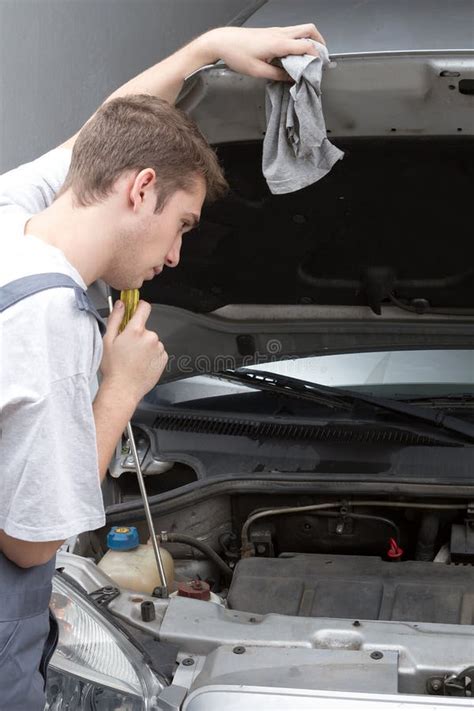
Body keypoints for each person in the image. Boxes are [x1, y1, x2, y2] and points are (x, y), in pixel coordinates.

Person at [0, 22, 324, 709]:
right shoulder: (49, 319)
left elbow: (100, 136)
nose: (176, 257)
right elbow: (29, 543)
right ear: (141, 189)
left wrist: (206, 50)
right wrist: (119, 388)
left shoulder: (12, 221)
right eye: (183, 223)